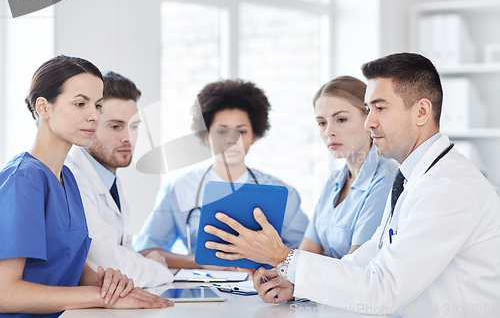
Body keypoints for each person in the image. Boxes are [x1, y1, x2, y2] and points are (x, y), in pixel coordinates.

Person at [203, 53, 500, 316]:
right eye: (369, 109)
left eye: (380, 109)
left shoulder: (448, 188)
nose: (370, 122)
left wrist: (283, 256)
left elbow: (382, 292)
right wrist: (293, 279)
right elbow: (367, 259)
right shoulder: (413, 177)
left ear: (421, 111)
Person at [0, 56, 173, 318]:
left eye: (98, 105)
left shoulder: (67, 178)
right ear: (44, 108)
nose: (93, 116)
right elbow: (5, 294)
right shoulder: (23, 180)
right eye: (80, 104)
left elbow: (74, 268)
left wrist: (111, 286)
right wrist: (100, 297)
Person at [133, 79, 309, 268]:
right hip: (201, 287)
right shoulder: (178, 189)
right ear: (206, 136)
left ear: (254, 135)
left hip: (264, 289)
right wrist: (200, 262)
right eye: (221, 132)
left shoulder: (282, 192)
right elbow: (146, 250)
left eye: (241, 131)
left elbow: (308, 252)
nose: (231, 141)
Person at [65, 71, 174, 288]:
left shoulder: (109, 179)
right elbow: (111, 266)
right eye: (116, 126)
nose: (128, 138)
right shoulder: (73, 179)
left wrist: (144, 263)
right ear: (90, 125)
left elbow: (123, 248)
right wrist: (158, 268)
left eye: (134, 126)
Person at [298, 76, 396, 258]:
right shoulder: (334, 181)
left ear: (369, 119)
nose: (329, 132)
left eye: (341, 120)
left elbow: (356, 268)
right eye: (322, 123)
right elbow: (306, 254)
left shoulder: (386, 180)